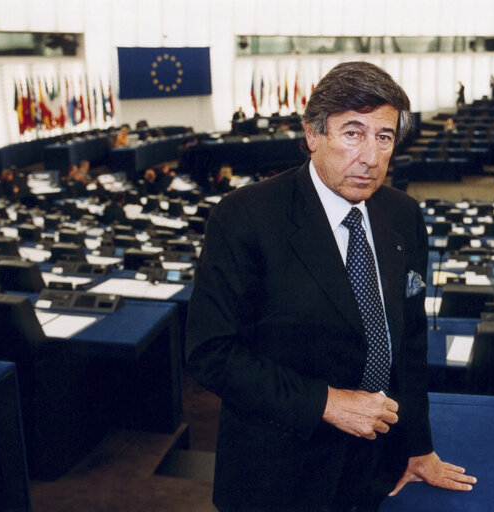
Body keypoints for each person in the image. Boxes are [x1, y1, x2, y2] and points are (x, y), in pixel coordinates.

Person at [186, 61, 476, 512]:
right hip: (280, 470)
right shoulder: (245, 215)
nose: (371, 156)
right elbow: (211, 353)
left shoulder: (403, 215)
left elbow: (411, 340)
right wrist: (325, 402)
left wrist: (418, 446)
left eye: (384, 137)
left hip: (377, 464)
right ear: (312, 135)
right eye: (352, 133)